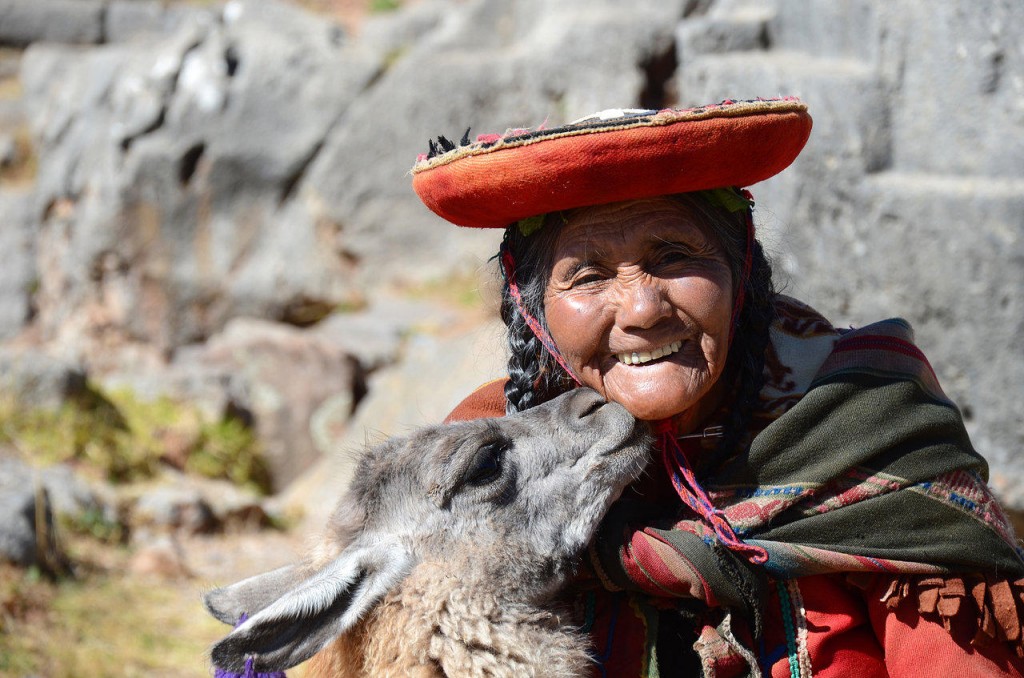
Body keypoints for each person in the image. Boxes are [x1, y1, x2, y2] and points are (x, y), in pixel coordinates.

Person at [412, 98, 1024, 677]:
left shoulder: (870, 430)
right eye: (588, 274)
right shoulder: (477, 476)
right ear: (534, 312)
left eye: (674, 255)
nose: (642, 309)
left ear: (742, 272)